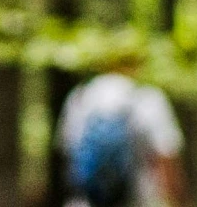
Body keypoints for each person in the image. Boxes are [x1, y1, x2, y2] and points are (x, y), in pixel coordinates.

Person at [58, 62, 188, 207]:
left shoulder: (79, 96)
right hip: (134, 200)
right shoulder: (148, 98)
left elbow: (69, 155)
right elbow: (166, 159)